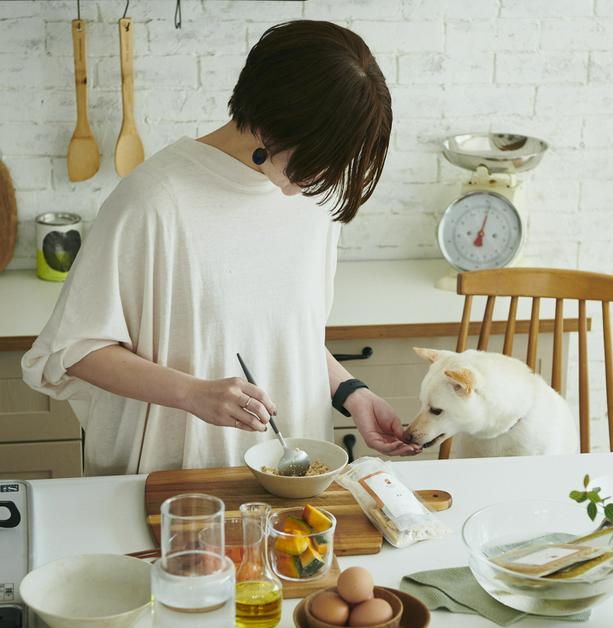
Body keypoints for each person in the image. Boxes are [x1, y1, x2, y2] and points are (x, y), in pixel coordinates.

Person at [22, 20, 421, 475]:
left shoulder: (313, 203)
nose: (324, 174)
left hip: (289, 482)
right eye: (319, 153)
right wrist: (193, 393)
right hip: (174, 481)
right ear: (274, 118)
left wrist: (352, 393)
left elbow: (287, 336)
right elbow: (74, 351)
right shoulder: (155, 200)